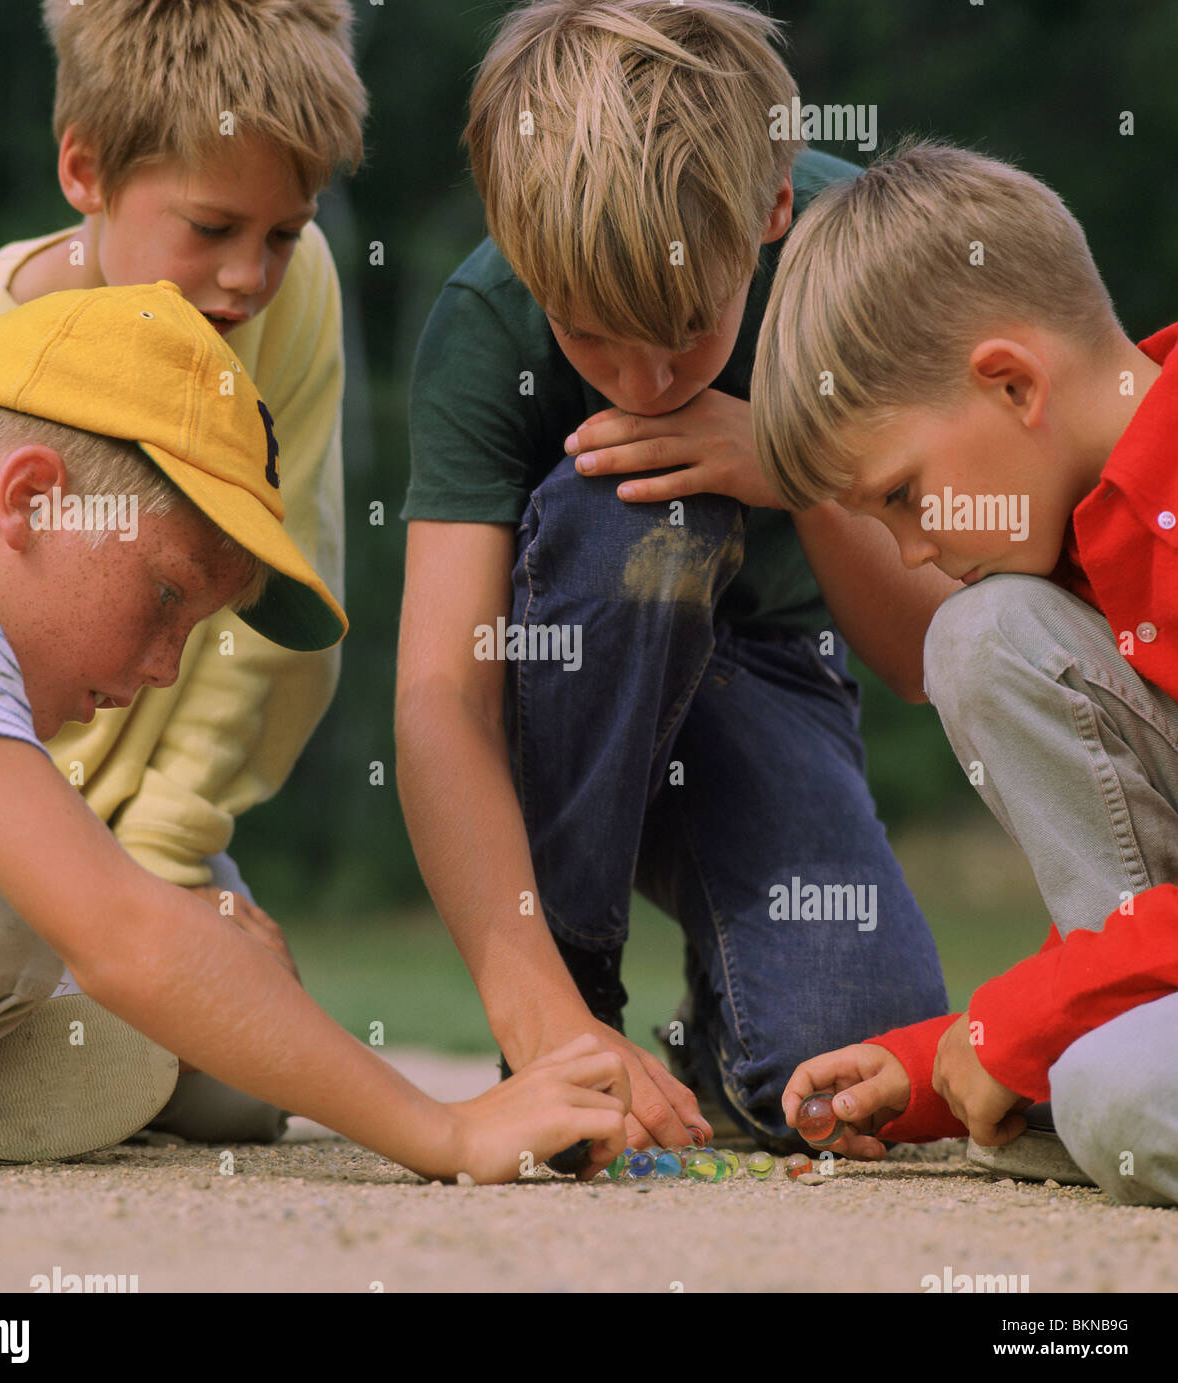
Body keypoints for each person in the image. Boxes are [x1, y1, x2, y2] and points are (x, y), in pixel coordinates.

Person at [0, 281, 628, 1183]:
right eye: (166, 596)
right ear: (35, 499)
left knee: (205, 1073)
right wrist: (448, 1132)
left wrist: (179, 938)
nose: (164, 669)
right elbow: (114, 928)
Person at [396, 0, 955, 1176]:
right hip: (571, 678)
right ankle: (583, 1003)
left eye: (689, 331)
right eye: (593, 338)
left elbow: (916, 657)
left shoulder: (855, 259)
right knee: (644, 504)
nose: (646, 382)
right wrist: (539, 1007)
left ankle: (705, 1048)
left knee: (849, 1073)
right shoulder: (485, 317)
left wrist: (797, 464)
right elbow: (443, 698)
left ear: (770, 212)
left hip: (772, 679)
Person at [0, 0, 365, 1142]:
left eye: (283, 235)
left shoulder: (281, 301)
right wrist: (115, 923)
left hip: (111, 844)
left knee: (245, 1090)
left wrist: (162, 868)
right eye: (209, 229)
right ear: (86, 171)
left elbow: (246, 612)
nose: (249, 278)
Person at [753, 140, 1178, 1207]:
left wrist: (1022, 1027)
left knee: (1118, 1098)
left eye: (899, 495)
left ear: (1010, 383)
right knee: (980, 632)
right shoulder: (1085, 551)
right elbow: (1129, 910)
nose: (908, 554)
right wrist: (941, 1062)